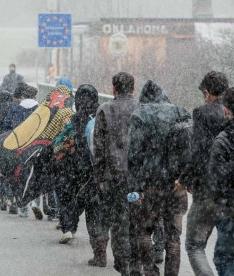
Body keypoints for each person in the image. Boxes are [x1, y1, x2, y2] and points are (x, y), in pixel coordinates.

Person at [127, 80, 191, 276]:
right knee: (173, 237)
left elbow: (134, 154)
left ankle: (150, 272)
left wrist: (136, 186)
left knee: (144, 231)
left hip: (150, 183)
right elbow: (189, 148)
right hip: (175, 183)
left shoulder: (139, 114)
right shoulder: (180, 112)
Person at [176, 71, 229, 276]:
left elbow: (198, 150)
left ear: (207, 92)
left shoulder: (202, 112)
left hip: (208, 189)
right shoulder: (230, 112)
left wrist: (185, 179)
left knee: (195, 246)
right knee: (227, 252)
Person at [90, 72, 138, 275]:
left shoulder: (105, 110)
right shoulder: (141, 109)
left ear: (113, 89)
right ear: (134, 88)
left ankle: (122, 263)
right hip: (137, 176)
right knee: (135, 221)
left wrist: (100, 177)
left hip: (113, 175)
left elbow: (98, 148)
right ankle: (134, 261)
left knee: (117, 221)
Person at [52, 84, 100, 244]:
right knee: (91, 202)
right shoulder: (101, 118)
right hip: (94, 166)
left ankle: (68, 227)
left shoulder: (73, 119)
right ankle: (97, 240)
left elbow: (59, 141)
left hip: (73, 165)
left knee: (67, 195)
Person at [3, 83, 41, 218]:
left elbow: (7, 127)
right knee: (35, 175)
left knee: (21, 177)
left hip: (19, 147)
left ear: (23, 96)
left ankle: (22, 207)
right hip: (35, 147)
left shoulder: (15, 109)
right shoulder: (39, 109)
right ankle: (36, 202)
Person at [209, 87, 234, 276]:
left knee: (223, 259)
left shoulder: (223, 140)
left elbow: (216, 180)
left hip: (230, 209)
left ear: (226, 110)